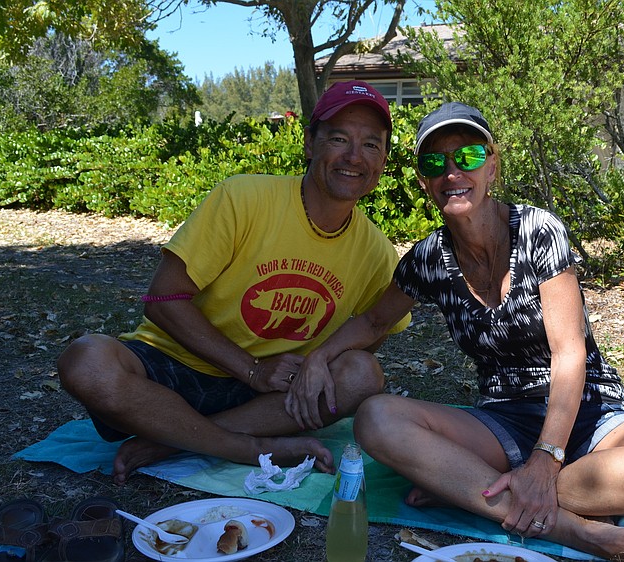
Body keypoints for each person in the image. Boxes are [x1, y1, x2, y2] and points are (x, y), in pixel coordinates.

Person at [288, 102, 624, 561]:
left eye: (469, 157)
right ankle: (568, 526)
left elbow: (569, 352)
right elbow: (373, 321)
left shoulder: (538, 230)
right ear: (423, 181)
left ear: (492, 165)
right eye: (436, 162)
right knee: (375, 419)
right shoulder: (429, 259)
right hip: (503, 422)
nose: (453, 172)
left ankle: (472, 489)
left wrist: (546, 459)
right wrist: (318, 357)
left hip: (589, 414)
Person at [56, 80, 410, 485]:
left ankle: (173, 440)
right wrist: (253, 369)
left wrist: (305, 367)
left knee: (363, 374)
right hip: (177, 370)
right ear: (310, 143)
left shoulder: (378, 253)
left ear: (383, 160)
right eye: (339, 138)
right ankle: (243, 447)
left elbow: (367, 338)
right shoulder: (244, 198)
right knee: (86, 361)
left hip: (269, 398)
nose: (353, 156)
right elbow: (163, 298)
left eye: (371, 144)